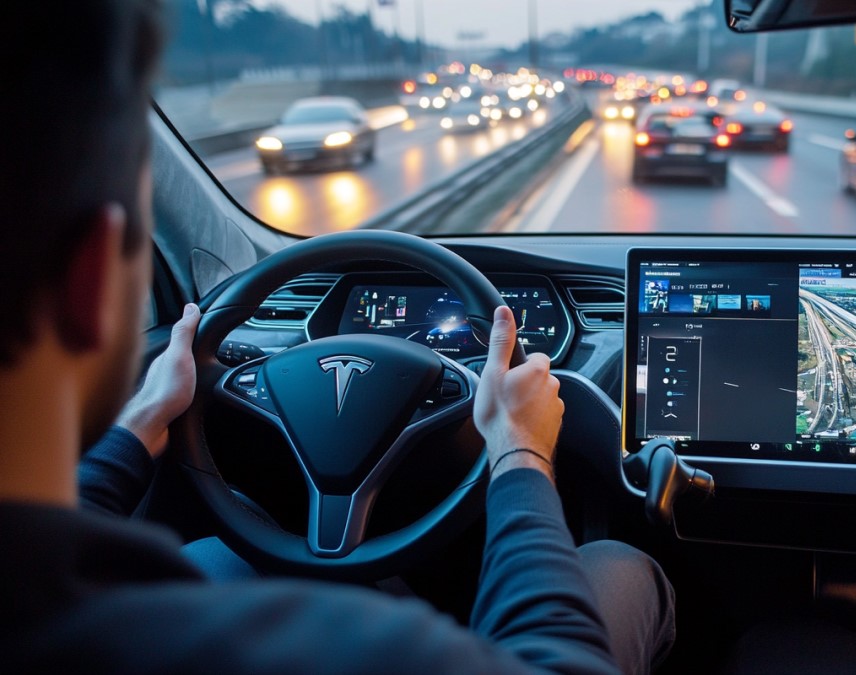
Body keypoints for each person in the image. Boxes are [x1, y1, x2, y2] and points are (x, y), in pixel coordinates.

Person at [0, 1, 673, 673]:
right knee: (622, 564)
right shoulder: (377, 649)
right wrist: (520, 451)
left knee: (217, 555)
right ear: (91, 278)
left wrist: (144, 420)